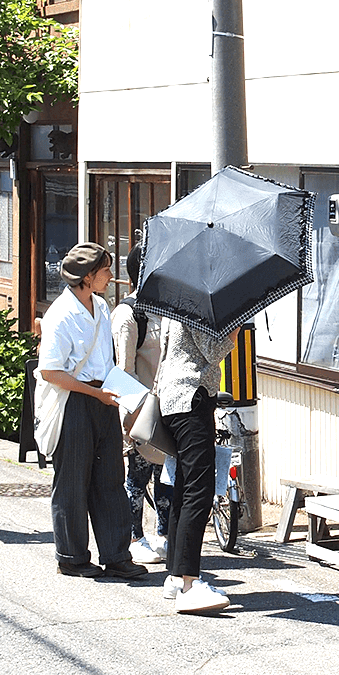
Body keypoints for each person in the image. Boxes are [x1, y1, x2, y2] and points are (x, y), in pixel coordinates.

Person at [37, 242, 147, 581]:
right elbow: (50, 371)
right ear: (87, 277)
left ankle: (116, 555)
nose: (110, 276)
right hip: (75, 401)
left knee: (110, 478)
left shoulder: (100, 306)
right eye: (105, 271)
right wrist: (96, 393)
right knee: (72, 482)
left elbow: (107, 360)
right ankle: (71, 557)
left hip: (103, 396)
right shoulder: (61, 314)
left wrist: (114, 393)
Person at [153, 317, 237, 614]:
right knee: (198, 492)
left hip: (173, 400)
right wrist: (234, 327)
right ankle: (190, 583)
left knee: (185, 488)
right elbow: (213, 351)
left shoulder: (179, 299)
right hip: (191, 400)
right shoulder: (195, 306)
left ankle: (176, 576)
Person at [113, 244, 171, 565]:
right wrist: (130, 418)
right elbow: (123, 371)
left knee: (166, 475)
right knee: (137, 475)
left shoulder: (166, 309)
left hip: (166, 406)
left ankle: (163, 534)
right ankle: (135, 536)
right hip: (139, 408)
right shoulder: (128, 314)